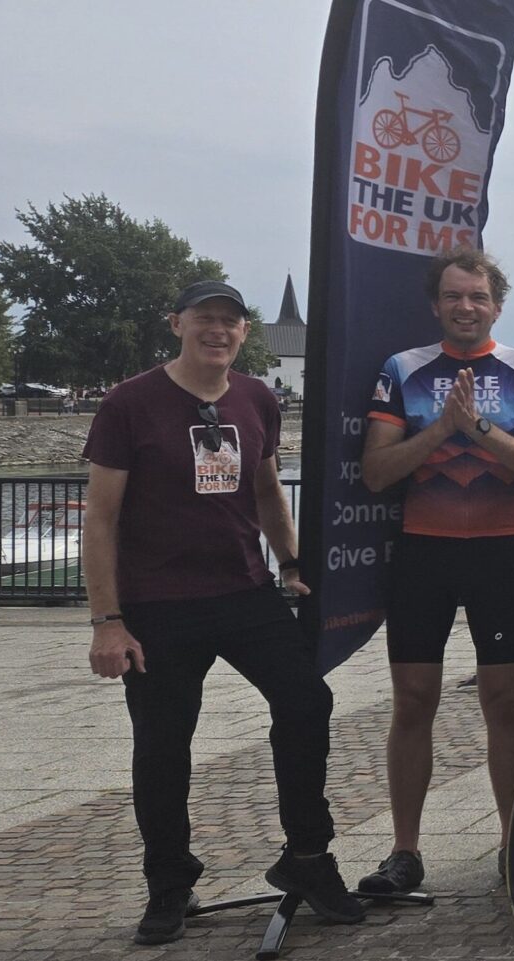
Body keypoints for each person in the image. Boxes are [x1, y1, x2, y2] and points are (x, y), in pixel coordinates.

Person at [84, 280, 363, 944]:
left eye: (230, 322)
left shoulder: (256, 397)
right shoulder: (130, 403)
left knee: (306, 703)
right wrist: (107, 620)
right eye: (205, 318)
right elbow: (100, 517)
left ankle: (306, 856)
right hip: (157, 604)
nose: (218, 330)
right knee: (162, 748)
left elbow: (267, 490)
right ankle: (169, 883)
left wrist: (290, 561)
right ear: (177, 322)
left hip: (244, 592)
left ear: (244, 333)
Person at [357, 247, 514, 894]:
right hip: (424, 552)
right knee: (414, 700)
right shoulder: (403, 370)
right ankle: (405, 849)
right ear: (435, 304)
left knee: (504, 702)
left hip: (499, 553)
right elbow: (377, 471)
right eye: (454, 297)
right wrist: (442, 428)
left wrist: (478, 431)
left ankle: (510, 843)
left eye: (477, 297)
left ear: (497, 305)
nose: (466, 307)